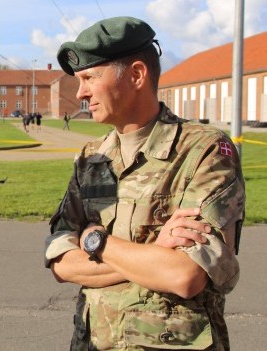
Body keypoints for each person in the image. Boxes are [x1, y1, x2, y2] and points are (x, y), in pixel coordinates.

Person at [45, 17, 244, 350]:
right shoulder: (91, 159)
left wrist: (95, 241)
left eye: (90, 77)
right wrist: (152, 254)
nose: (81, 92)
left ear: (137, 74)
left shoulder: (203, 151)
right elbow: (61, 262)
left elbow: (184, 275)